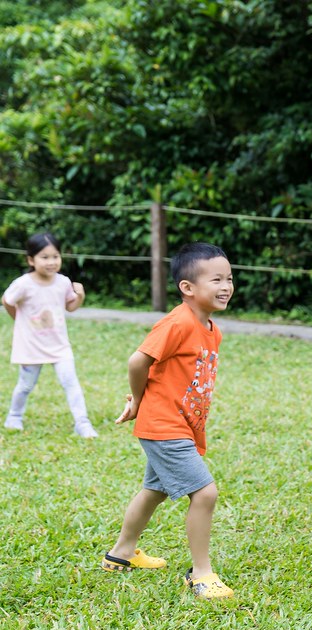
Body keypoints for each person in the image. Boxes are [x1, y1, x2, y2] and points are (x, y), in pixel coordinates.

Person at [102, 243, 237, 601]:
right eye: (216, 279)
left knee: (155, 491)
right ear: (187, 287)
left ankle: (122, 552)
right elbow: (137, 361)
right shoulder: (177, 322)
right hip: (164, 425)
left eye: (229, 278)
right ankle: (201, 573)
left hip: (179, 423)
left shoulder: (212, 329)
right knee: (205, 493)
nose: (226, 286)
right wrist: (140, 400)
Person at [2, 232, 97, 437]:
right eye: (44, 257)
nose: (51, 262)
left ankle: (82, 423)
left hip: (59, 346)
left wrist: (80, 296)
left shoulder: (62, 282)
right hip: (30, 346)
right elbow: (7, 300)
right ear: (31, 260)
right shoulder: (23, 283)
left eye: (55, 256)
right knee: (25, 385)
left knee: (71, 383)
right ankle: (14, 416)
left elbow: (70, 307)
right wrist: (19, 321)